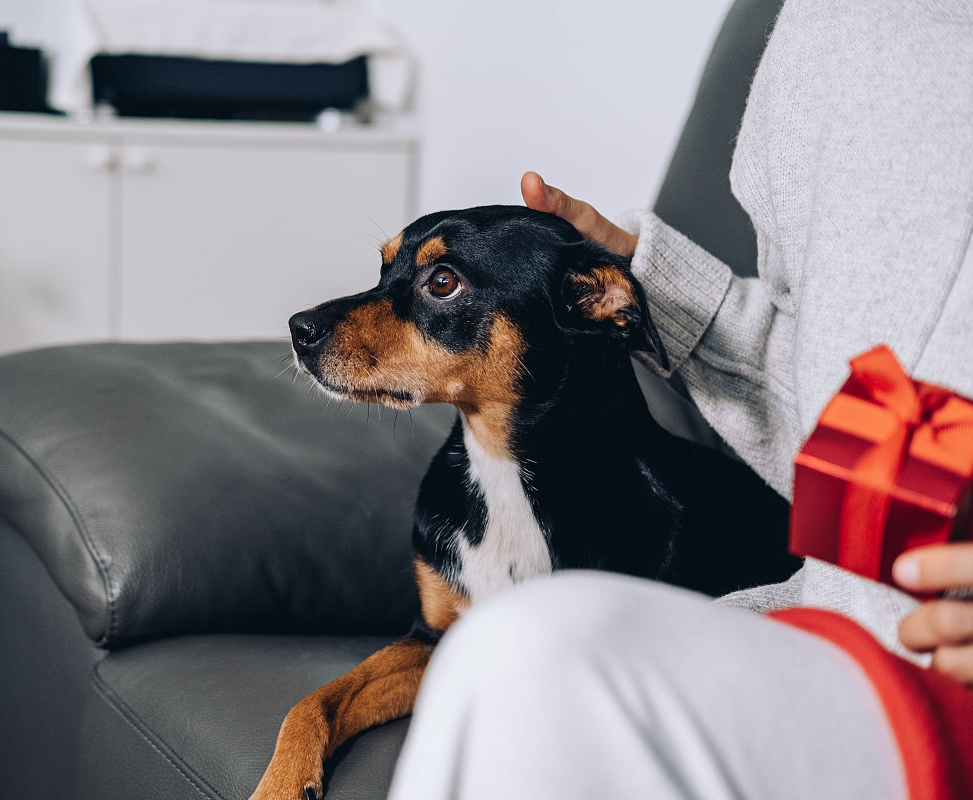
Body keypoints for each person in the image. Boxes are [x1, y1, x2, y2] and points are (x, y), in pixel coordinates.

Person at [386, 0, 973, 797]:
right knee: (496, 668)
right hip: (819, 635)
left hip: (937, 702)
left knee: (522, 656)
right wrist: (666, 294)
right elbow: (879, 409)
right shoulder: (827, 29)